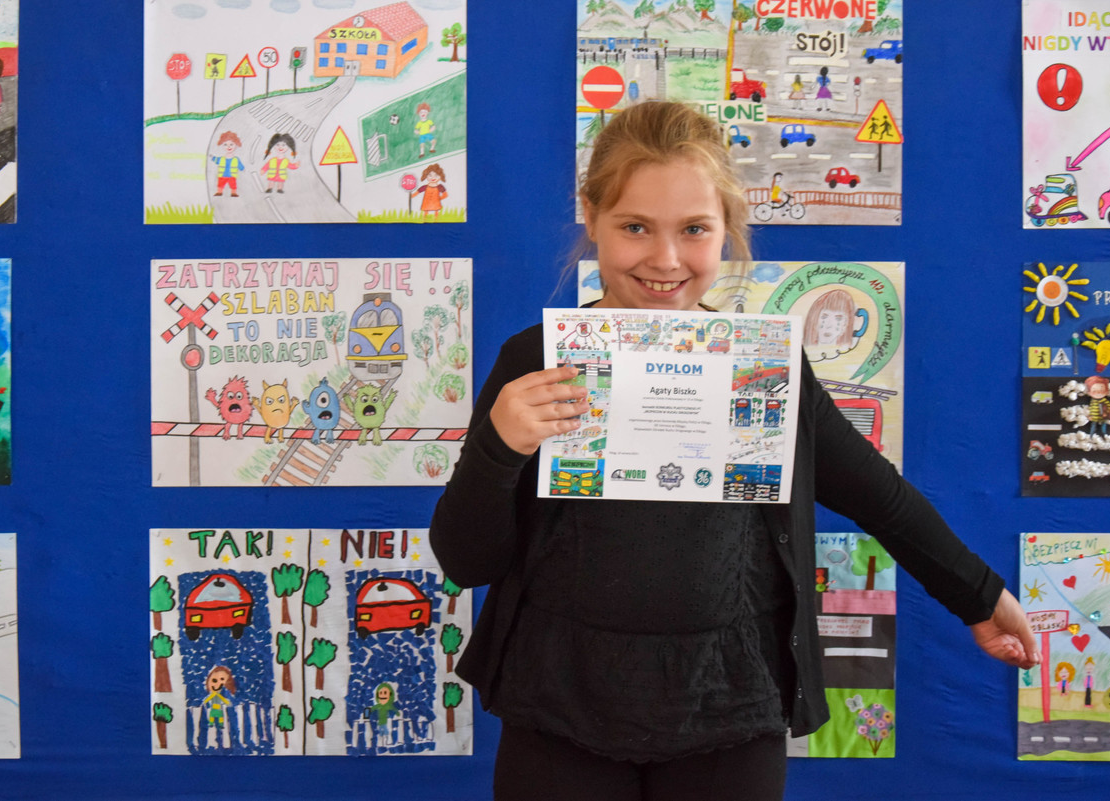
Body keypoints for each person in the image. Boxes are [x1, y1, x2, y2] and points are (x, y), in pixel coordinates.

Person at [429, 101, 1039, 801]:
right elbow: (465, 560)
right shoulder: (535, 361)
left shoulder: (762, 369)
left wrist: (981, 595)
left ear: (727, 228)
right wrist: (499, 448)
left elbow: (879, 495)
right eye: (634, 227)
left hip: (729, 703)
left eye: (694, 229)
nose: (665, 259)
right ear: (591, 217)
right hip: (561, 700)